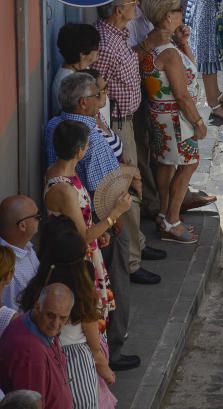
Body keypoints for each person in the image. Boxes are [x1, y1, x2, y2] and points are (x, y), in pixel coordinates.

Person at [44, 74, 142, 372]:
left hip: (80, 232)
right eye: (98, 94)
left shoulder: (53, 126)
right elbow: (105, 190)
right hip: (93, 231)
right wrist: (116, 217)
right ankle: (107, 352)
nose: (102, 98)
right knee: (103, 293)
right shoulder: (90, 137)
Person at [94, 0, 166, 284]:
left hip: (129, 117)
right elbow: (97, 85)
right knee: (129, 189)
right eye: (132, 2)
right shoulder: (107, 42)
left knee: (136, 182)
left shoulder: (119, 33)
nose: (137, 5)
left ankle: (139, 244)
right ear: (117, 9)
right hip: (118, 122)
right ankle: (132, 262)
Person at [136, 0, 207, 243]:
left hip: (159, 117)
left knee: (165, 165)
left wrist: (183, 42)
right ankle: (172, 220)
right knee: (189, 164)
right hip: (177, 120)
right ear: (167, 17)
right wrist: (198, 121)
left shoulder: (151, 44)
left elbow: (189, 69)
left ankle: (165, 213)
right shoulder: (167, 53)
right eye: (177, 10)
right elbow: (182, 95)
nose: (181, 14)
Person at [19, 222, 115, 408]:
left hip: (43, 356)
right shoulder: (83, 295)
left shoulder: (37, 287)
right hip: (75, 362)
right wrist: (106, 372)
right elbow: (95, 348)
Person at [43, 121, 129, 320]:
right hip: (78, 258)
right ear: (80, 151)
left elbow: (79, 221)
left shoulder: (57, 171)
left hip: (85, 250)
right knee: (89, 315)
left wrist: (100, 233)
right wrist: (115, 214)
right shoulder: (64, 189)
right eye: (87, 145)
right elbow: (82, 236)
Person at [0, 283, 74, 409]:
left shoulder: (39, 325)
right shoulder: (30, 352)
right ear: (37, 307)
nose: (56, 324)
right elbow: (30, 405)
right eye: (50, 315)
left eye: (63, 318)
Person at [50, 24, 100, 116]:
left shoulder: (80, 69)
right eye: (96, 48)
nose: (98, 51)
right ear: (83, 54)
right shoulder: (68, 81)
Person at [0, 196, 40, 311]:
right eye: (37, 217)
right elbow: (13, 318)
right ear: (22, 226)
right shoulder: (8, 268)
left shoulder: (24, 245)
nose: (40, 219)